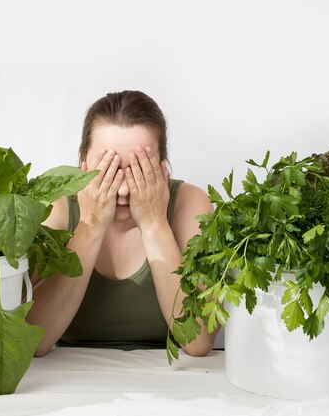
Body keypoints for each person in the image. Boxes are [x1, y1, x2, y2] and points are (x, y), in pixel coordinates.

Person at [26, 90, 218, 356]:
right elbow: (31, 341)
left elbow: (198, 341)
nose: (125, 190)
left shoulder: (190, 204)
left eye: (140, 169)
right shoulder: (56, 207)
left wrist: (154, 224)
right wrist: (90, 226)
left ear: (162, 168)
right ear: (83, 165)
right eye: (109, 170)